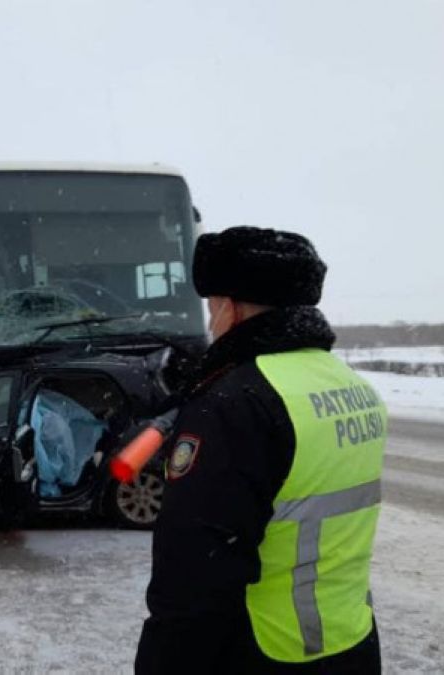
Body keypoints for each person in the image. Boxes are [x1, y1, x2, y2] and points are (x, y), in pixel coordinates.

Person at [136, 227, 385, 673]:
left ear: (230, 309)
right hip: (351, 640)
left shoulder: (236, 402)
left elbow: (195, 574)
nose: (211, 320)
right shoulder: (352, 386)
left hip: (265, 647)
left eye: (212, 306)